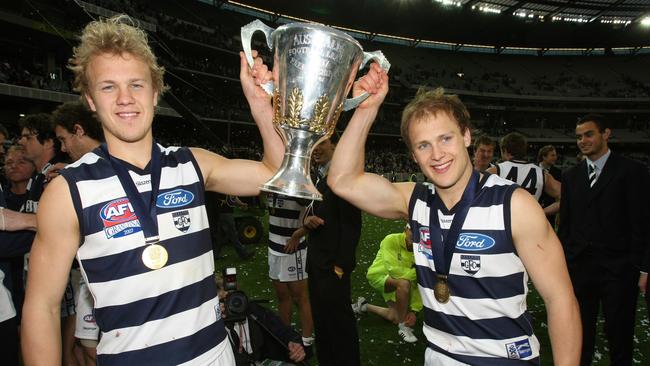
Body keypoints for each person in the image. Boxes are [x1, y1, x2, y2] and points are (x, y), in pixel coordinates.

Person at [21, 14, 283, 365]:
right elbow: (42, 307)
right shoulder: (68, 191)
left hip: (216, 356)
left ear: (156, 92)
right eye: (108, 86)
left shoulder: (193, 164)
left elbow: (275, 174)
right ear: (90, 99)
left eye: (136, 84)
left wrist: (261, 106)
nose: (125, 98)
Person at [327, 64, 581, 365]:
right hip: (438, 356)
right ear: (414, 156)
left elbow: (560, 299)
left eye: (445, 138)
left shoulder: (514, 205)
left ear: (467, 137)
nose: (436, 154)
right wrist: (367, 107)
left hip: (502, 358)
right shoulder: (414, 199)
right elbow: (342, 180)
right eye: (423, 145)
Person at [558, 113, 650, 366]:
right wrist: (565, 261)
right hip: (580, 270)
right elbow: (565, 225)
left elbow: (642, 223)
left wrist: (643, 266)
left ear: (606, 134)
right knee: (580, 336)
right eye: (578, 137)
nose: (583, 141)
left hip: (619, 270)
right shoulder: (571, 176)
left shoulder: (633, 171)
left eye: (589, 134)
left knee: (620, 337)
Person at [51, 100, 104, 366]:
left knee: (95, 352)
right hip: (87, 281)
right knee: (88, 349)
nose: (62, 148)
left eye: (63, 139)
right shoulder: (70, 176)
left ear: (79, 130)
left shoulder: (77, 177)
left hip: (106, 284)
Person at [304, 136, 362, 366]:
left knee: (340, 327)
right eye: (314, 146)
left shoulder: (343, 178)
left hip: (332, 267)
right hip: (317, 264)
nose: (316, 150)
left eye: (322, 144)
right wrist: (308, 220)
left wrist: (340, 266)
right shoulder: (320, 178)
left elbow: (352, 226)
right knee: (323, 324)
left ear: (335, 146)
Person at [352, 223, 422, 343]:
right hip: (378, 276)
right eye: (412, 230)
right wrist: (417, 272)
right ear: (405, 230)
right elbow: (393, 270)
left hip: (398, 281)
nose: (415, 235)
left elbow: (419, 282)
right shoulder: (391, 239)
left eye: (419, 232)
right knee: (404, 284)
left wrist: (414, 310)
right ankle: (403, 327)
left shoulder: (421, 250)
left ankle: (364, 306)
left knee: (395, 316)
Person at [216, 277, 307, 365]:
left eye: (234, 298)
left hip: (261, 361)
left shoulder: (253, 311)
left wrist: (293, 342)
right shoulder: (211, 327)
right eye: (222, 301)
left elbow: (281, 329)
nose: (231, 304)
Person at [266, 193, 313, 348]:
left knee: (300, 298)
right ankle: (285, 336)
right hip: (273, 248)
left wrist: (298, 235)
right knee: (282, 296)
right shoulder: (270, 183)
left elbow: (315, 217)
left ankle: (306, 340)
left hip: (294, 249)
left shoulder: (298, 182)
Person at [487, 132, 560, 203]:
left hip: (503, 214)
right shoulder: (542, 173)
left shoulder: (495, 170)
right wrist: (544, 211)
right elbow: (565, 194)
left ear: (505, 150)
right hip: (530, 214)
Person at [537, 145, 562, 225]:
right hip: (535, 207)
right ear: (544, 157)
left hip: (551, 211)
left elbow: (559, 194)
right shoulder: (533, 169)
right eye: (552, 155)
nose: (555, 157)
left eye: (555, 155)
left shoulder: (558, 172)